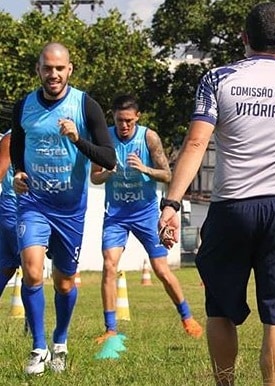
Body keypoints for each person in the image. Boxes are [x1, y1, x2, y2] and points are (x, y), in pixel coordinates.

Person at [157, 3, 275, 385]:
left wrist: (171, 202)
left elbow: (196, 142)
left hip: (232, 207)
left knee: (220, 309)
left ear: (244, 38)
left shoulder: (218, 79)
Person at [10, 42, 117, 375]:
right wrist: (19, 173)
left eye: (59, 68)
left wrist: (76, 140)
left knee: (65, 283)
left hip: (69, 209)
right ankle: (39, 348)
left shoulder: (86, 106)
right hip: (34, 203)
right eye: (47, 67)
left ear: (69, 69)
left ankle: (60, 341)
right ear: (38, 69)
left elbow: (109, 159)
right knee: (30, 269)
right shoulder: (24, 105)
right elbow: (16, 147)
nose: (53, 74)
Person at [91, 95, 203, 343]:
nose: (124, 126)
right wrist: (107, 173)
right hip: (116, 215)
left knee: (161, 270)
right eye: (120, 120)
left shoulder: (149, 137)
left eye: (129, 121)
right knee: (110, 265)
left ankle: (187, 317)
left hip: (145, 213)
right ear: (113, 117)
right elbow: (94, 177)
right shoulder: (105, 138)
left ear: (138, 117)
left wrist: (145, 169)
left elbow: (168, 175)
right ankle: (110, 329)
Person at [0, 131, 19, 298]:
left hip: (24, 207)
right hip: (13, 207)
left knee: (7, 266)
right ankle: (34, 324)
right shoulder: (11, 138)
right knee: (32, 265)